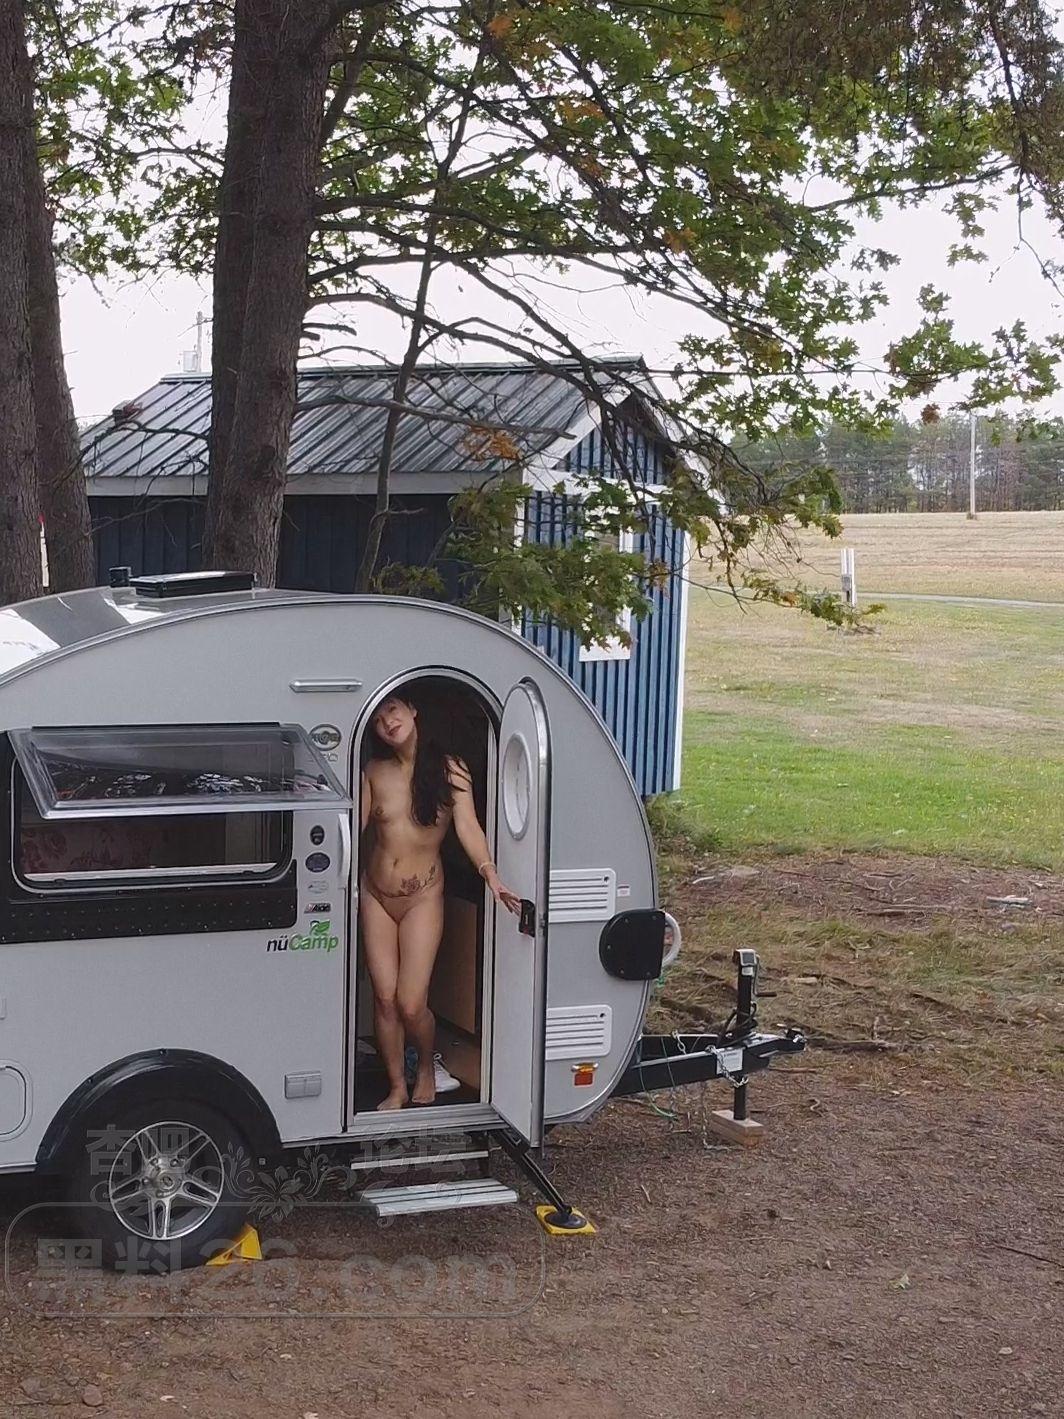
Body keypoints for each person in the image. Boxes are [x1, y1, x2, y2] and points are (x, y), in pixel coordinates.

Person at [360, 692, 521, 1109]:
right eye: (377, 719)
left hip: (422, 897)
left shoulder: (451, 769)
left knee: (411, 1003)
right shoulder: (373, 771)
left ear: (413, 709)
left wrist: (490, 873)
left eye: (393, 709)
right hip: (376, 894)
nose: (387, 721)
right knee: (384, 998)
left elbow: (468, 827)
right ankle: (397, 1085)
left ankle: (428, 1065)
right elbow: (353, 829)